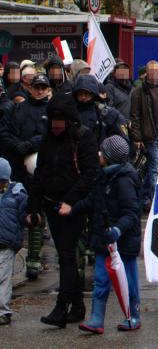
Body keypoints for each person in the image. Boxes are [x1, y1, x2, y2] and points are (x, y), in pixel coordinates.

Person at [28, 93, 98, 328]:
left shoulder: (83, 137)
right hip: (50, 203)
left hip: (73, 207)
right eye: (53, 121)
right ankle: (77, 306)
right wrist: (34, 207)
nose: (56, 126)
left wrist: (70, 201)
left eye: (60, 122)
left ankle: (62, 306)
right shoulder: (48, 138)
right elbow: (40, 173)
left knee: (67, 255)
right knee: (65, 255)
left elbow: (90, 174)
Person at [74, 135, 141, 334]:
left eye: (102, 152)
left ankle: (133, 314)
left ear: (110, 157)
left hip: (123, 243)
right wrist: (72, 208)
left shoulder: (125, 180)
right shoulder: (103, 176)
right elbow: (92, 201)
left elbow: (131, 212)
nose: (99, 155)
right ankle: (96, 318)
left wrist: (118, 230)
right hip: (104, 241)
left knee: (127, 281)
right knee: (100, 279)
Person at [0, 73, 51, 279]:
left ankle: (34, 257)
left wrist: (31, 145)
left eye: (43, 87)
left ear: (48, 89)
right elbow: (4, 132)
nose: (39, 91)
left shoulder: (52, 110)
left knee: (37, 212)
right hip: (19, 167)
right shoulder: (17, 109)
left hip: (43, 169)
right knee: (18, 211)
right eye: (36, 87)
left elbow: (51, 135)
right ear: (30, 88)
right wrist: (18, 146)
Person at [130, 61, 158, 208]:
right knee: (155, 168)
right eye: (152, 71)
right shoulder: (139, 92)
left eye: (157, 71)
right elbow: (135, 115)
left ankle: (140, 199)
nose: (154, 74)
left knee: (153, 168)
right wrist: (137, 137)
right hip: (150, 135)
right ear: (147, 73)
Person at [0, 157, 27, 326]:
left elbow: (25, 215)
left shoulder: (17, 193)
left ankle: (3, 311)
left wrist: (32, 219)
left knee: (3, 278)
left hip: (6, 243)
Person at [73, 75, 128, 145]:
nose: (83, 97)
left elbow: (121, 126)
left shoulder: (104, 111)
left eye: (86, 93)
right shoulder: (72, 112)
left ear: (93, 94)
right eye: (80, 94)